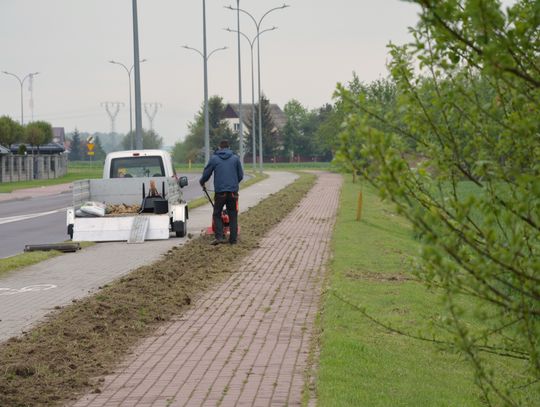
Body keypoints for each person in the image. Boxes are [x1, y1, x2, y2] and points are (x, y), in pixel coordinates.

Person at [199, 139, 244, 245]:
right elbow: (241, 175)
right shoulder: (235, 158)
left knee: (217, 213)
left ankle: (219, 237)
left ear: (219, 147)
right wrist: (233, 184)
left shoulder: (214, 159)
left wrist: (202, 182)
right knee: (233, 215)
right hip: (233, 192)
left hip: (220, 193)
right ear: (229, 147)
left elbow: (207, 173)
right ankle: (233, 240)